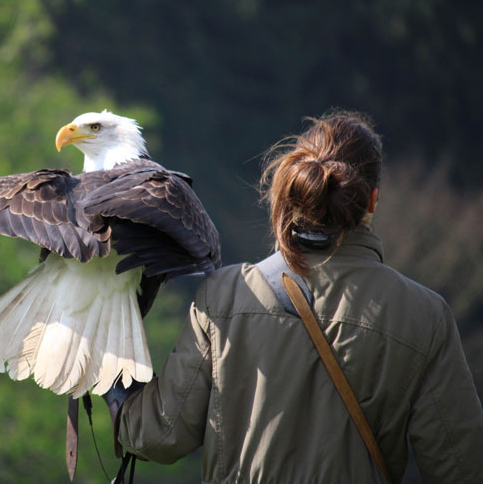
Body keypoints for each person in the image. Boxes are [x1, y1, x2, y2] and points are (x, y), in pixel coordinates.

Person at [102, 111, 483, 483]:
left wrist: (102, 368)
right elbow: (461, 468)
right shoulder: (424, 315)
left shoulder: (225, 295)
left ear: (296, 188)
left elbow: (160, 435)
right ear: (372, 200)